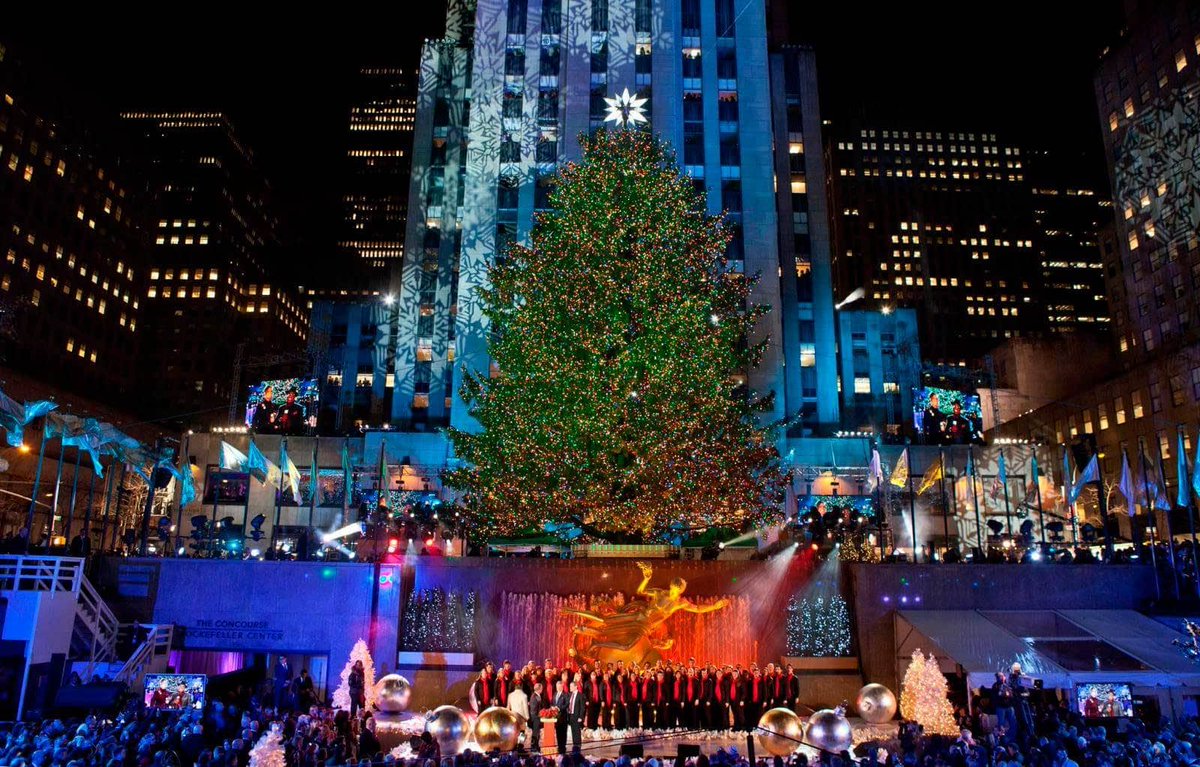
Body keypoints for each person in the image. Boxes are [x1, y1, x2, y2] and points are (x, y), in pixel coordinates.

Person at [553, 680, 570, 755]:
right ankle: (560, 747)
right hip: (556, 718)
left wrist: (558, 708)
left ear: (562, 687)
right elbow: (552, 702)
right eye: (557, 686)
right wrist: (552, 708)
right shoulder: (555, 694)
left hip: (563, 717)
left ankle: (563, 748)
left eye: (559, 686)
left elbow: (567, 704)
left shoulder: (566, 695)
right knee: (558, 733)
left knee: (563, 733)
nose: (558, 688)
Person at [528, 681, 544, 753]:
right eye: (541, 688)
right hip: (535, 718)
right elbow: (534, 709)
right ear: (539, 689)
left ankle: (536, 747)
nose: (542, 689)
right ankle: (534, 748)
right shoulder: (534, 696)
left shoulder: (537, 695)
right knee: (535, 734)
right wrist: (539, 715)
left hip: (537, 718)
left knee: (537, 733)